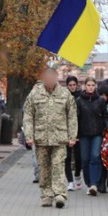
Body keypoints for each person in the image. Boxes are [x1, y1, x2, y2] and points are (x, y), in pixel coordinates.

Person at [23, 68, 78, 208]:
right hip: (41, 138)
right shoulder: (35, 94)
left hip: (60, 137)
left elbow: (72, 116)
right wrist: (28, 136)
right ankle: (46, 194)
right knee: (44, 167)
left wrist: (72, 136)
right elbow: (28, 116)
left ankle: (60, 194)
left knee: (58, 165)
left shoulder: (65, 94)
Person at [76, 77, 108, 196]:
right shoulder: (79, 101)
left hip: (97, 133)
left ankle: (94, 183)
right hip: (83, 133)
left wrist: (106, 127)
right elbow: (75, 118)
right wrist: (75, 133)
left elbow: (105, 115)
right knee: (85, 159)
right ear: (85, 86)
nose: (90, 87)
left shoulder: (100, 101)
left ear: (95, 87)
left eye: (92, 85)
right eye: (88, 85)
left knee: (95, 156)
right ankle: (89, 183)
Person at [64, 76, 83, 191]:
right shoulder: (63, 97)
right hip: (66, 130)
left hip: (79, 130)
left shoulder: (81, 97)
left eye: (74, 85)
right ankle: (70, 181)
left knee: (79, 157)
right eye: (70, 85)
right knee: (66, 157)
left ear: (77, 85)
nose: (72, 87)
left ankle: (77, 174)